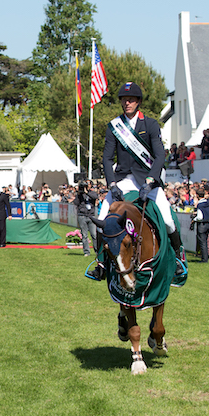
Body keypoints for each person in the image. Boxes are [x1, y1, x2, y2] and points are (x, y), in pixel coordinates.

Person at [89, 82, 184, 280]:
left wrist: (151, 181)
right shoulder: (114, 126)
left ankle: (177, 257)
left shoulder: (150, 124)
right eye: (124, 100)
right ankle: (100, 264)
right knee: (102, 220)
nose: (127, 103)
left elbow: (159, 156)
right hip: (123, 179)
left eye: (131, 100)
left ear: (138, 102)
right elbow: (107, 158)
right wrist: (112, 184)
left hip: (146, 179)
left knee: (167, 220)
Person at [73, 180, 98, 257]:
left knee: (94, 235)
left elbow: (95, 197)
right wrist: (79, 194)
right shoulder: (80, 194)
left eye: (88, 184)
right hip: (82, 215)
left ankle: (97, 251)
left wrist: (87, 192)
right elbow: (76, 203)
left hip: (91, 216)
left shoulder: (92, 192)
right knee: (84, 235)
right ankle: (86, 252)